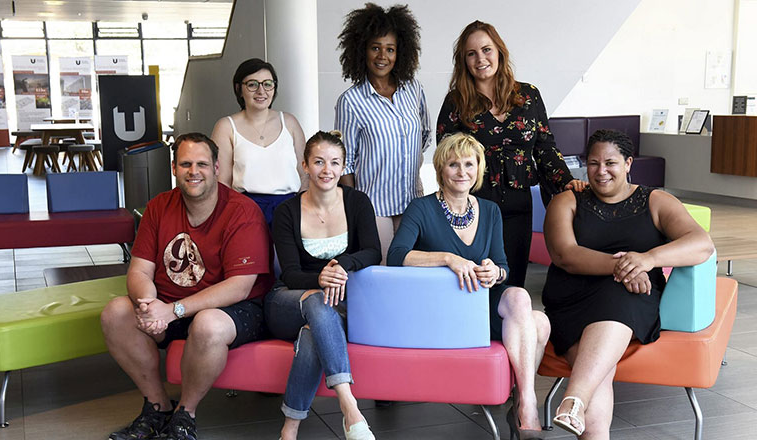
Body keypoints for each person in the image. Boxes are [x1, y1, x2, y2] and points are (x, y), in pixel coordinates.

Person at [101, 132, 274, 440]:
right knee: (116, 313)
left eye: (202, 164)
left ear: (217, 168)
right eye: (186, 164)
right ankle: (157, 408)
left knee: (208, 324)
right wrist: (148, 303)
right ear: (174, 168)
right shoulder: (158, 207)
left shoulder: (242, 211)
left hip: (233, 309)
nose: (194, 171)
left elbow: (239, 287)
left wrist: (172, 311)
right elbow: (139, 269)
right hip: (168, 305)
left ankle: (185, 415)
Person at [542, 129, 714, 438]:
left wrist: (647, 260)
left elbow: (701, 244)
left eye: (611, 162)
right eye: (593, 163)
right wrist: (625, 266)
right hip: (573, 296)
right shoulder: (567, 201)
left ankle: (574, 400)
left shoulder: (655, 200)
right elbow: (565, 255)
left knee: (613, 315)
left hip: (633, 297)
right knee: (599, 371)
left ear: (628, 163)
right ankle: (576, 401)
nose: (601, 171)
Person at [388, 132, 550, 440]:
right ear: (440, 170)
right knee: (536, 322)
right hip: (442, 314)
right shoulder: (421, 208)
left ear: (479, 168)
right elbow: (396, 257)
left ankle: (525, 400)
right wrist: (447, 258)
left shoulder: (489, 210)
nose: (462, 172)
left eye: (469, 164)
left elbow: (503, 265)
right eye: (453, 165)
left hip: (482, 307)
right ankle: (523, 408)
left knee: (526, 305)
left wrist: (494, 272)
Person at [436, 20, 584, 287]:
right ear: (464, 61)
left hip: (518, 203)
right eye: (471, 54)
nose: (480, 59)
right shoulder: (456, 101)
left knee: (513, 280)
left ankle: (512, 329)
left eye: (486, 50)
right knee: (476, 280)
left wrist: (566, 180)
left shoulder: (529, 95)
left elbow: (545, 146)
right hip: (473, 205)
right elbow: (445, 155)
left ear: (499, 52)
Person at [265, 131, 381, 440]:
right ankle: (349, 405)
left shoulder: (357, 202)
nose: (327, 170)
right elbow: (289, 273)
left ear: (343, 166)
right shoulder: (287, 212)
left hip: (335, 303)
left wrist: (343, 264)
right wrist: (319, 278)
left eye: (334, 162)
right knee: (318, 301)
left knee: (312, 333)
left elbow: (373, 251)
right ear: (305, 165)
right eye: (318, 162)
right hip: (287, 301)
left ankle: (289, 430)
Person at [335, 3, 431, 260]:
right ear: (362, 50)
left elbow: (423, 135)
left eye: (390, 49)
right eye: (375, 47)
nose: (382, 56)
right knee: (383, 271)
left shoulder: (413, 89)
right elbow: (346, 163)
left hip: (413, 202)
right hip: (374, 207)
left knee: (412, 272)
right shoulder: (351, 101)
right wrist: (356, 209)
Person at [211, 58, 306, 227]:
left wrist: (303, 209)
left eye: (267, 84)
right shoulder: (226, 126)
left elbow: (305, 173)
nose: (261, 91)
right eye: (253, 84)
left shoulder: (290, 122)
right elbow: (221, 182)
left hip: (291, 210)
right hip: (245, 211)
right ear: (239, 89)